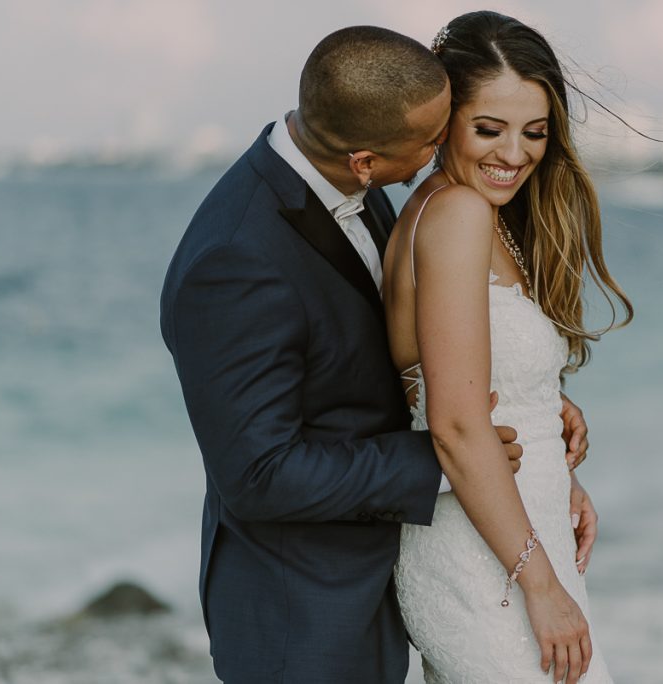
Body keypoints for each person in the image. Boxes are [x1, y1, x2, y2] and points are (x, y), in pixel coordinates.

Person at [159, 25, 594, 683]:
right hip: (301, 611)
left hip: (396, 572)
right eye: (432, 139)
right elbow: (257, 475)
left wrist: (525, 397)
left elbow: (401, 350)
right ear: (365, 159)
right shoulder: (236, 258)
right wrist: (443, 457)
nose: (440, 150)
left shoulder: (369, 191)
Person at [385, 11, 633, 684]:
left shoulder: (465, 211)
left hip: (517, 537)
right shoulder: (458, 215)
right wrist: (540, 585)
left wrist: (562, 471)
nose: (515, 154)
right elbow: (458, 425)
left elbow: (481, 384)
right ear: (444, 122)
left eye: (535, 133)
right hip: (487, 563)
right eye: (488, 129)